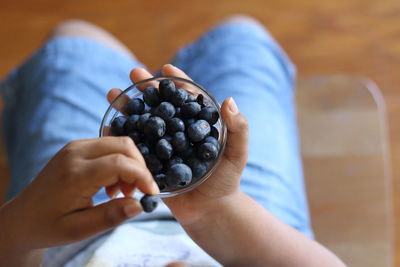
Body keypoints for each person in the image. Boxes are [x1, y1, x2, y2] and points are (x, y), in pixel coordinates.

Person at [0, 16, 346, 266]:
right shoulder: (220, 205)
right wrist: (217, 209)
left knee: (73, 39)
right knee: (242, 38)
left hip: (72, 241)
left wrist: (19, 228)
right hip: (245, 228)